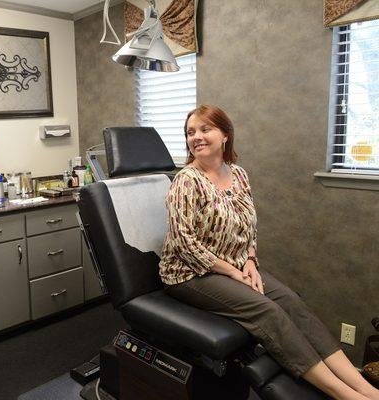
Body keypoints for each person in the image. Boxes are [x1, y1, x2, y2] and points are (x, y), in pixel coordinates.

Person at [159, 105, 379, 400]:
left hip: (237, 265)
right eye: (190, 132)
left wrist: (250, 259)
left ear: (225, 135)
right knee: (267, 311)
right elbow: (184, 244)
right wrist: (234, 272)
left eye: (204, 129)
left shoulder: (238, 174)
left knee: (291, 301)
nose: (196, 137)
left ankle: (363, 386)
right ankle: (344, 394)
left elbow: (250, 225)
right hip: (189, 273)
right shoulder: (186, 181)